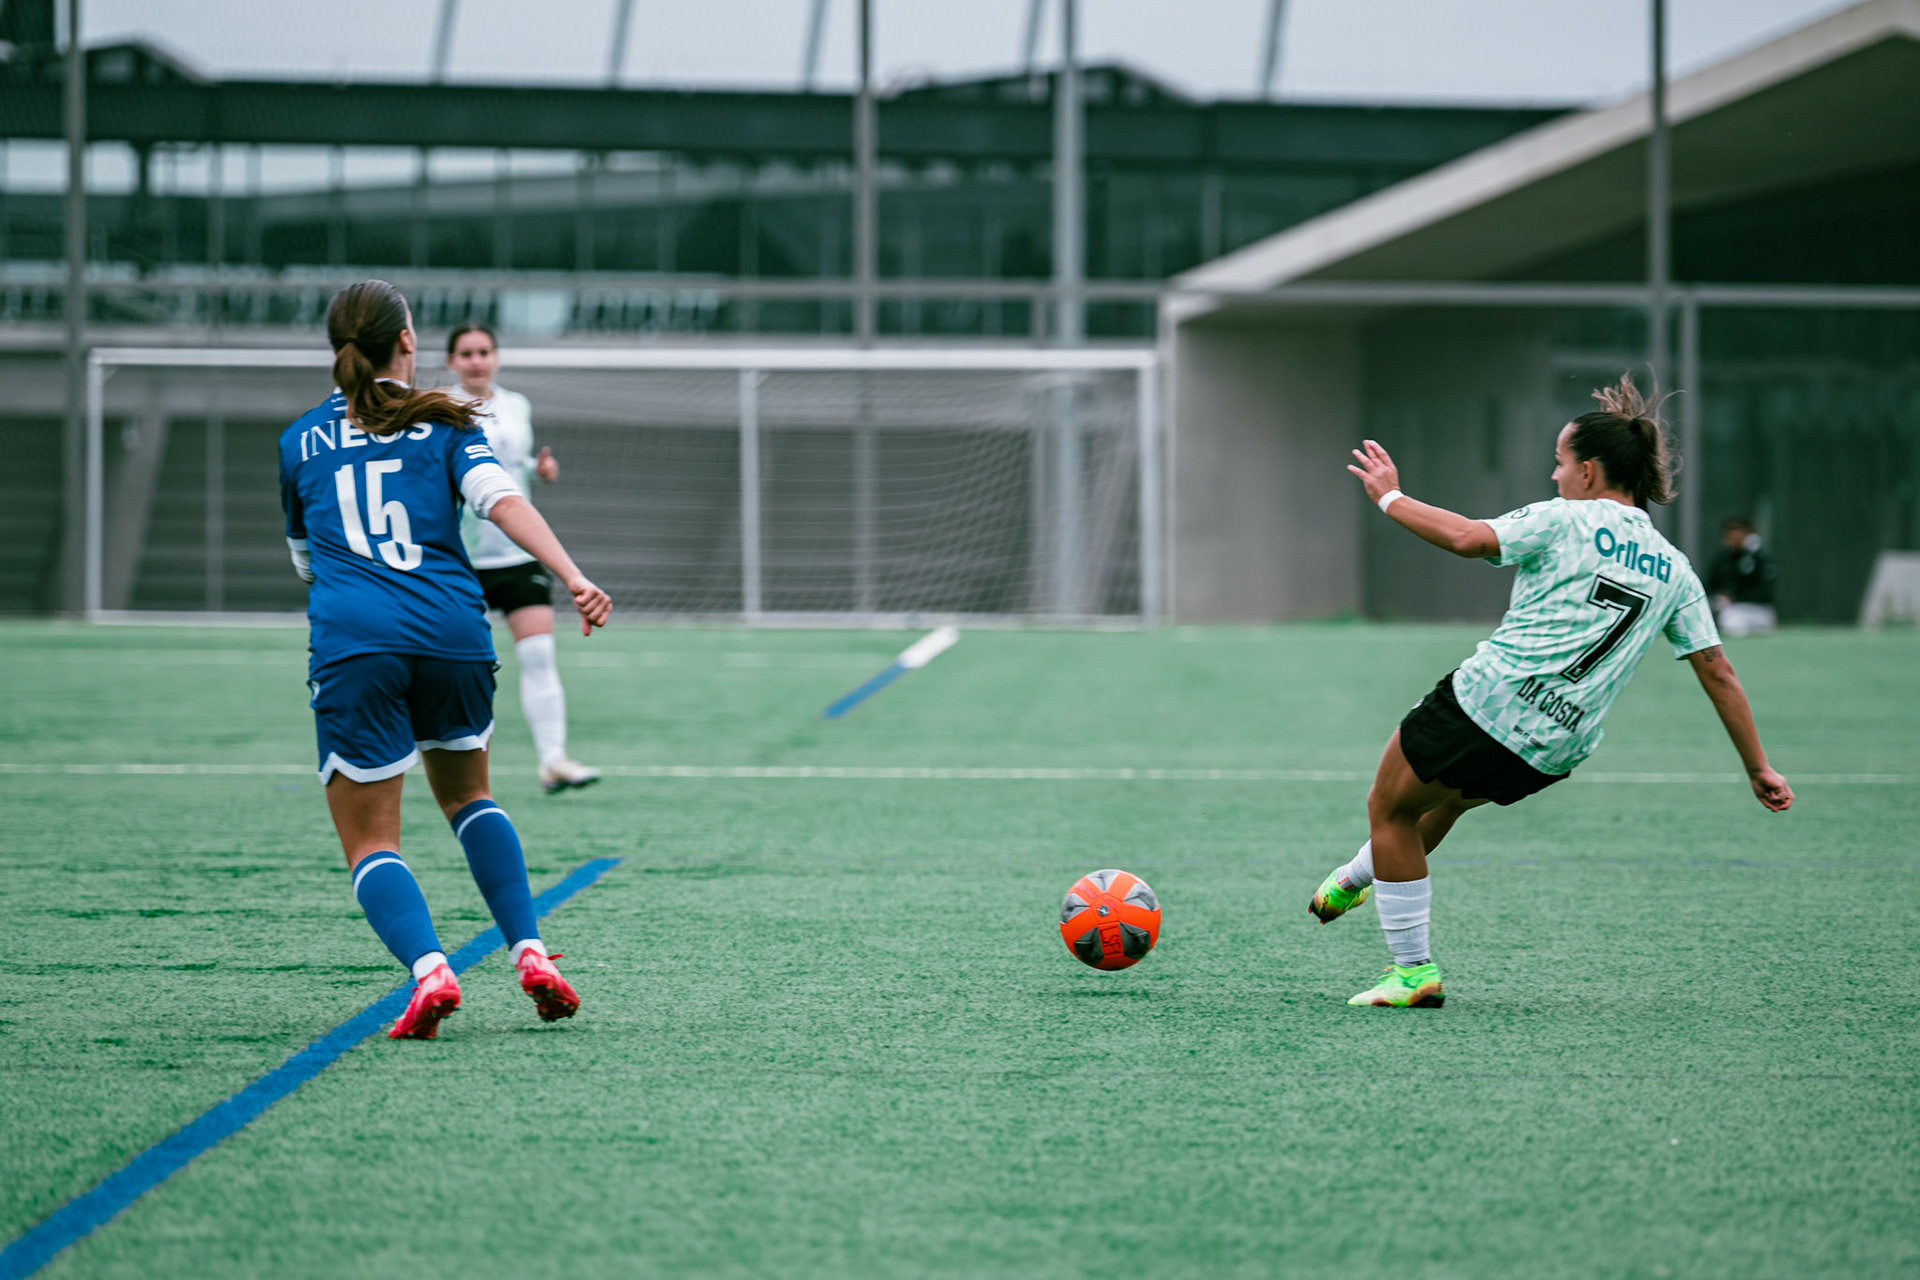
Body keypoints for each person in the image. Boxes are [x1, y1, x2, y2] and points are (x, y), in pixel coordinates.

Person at [1312, 374, 1794, 1008]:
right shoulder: (1675, 567)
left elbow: (1466, 538)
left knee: (1391, 808)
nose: (1554, 476)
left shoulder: (1565, 518)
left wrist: (1389, 497)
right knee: (1447, 803)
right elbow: (1718, 671)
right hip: (1557, 743)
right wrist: (1757, 766)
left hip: (1488, 702)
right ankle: (1354, 878)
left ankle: (1412, 970)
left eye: (1561, 462)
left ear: (1590, 471)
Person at [279, 281, 612, 1040]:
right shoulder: (447, 421)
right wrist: (573, 574)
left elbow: (306, 563)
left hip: (357, 641)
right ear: (407, 342)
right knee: (470, 798)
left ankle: (432, 971)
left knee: (371, 839)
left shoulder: (299, 440)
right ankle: (531, 953)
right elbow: (503, 501)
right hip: (453, 632)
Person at [444, 323, 601, 793]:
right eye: (467, 353)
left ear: (495, 356)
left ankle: (553, 760)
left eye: (484, 351)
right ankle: (444, 762)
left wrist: (539, 470)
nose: (476, 360)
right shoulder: (439, 408)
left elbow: (511, 467)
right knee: (453, 666)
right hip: (461, 559)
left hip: (515, 556)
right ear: (452, 361)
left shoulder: (516, 406)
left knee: (538, 655)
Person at [1707, 517, 1778, 637]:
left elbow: (1765, 592)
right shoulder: (1722, 559)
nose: (1734, 541)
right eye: (1731, 537)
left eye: (1738, 538)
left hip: (1759, 610)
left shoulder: (1759, 558)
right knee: (1728, 621)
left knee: (1734, 623)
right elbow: (1710, 584)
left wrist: (1734, 596)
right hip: (1731, 610)